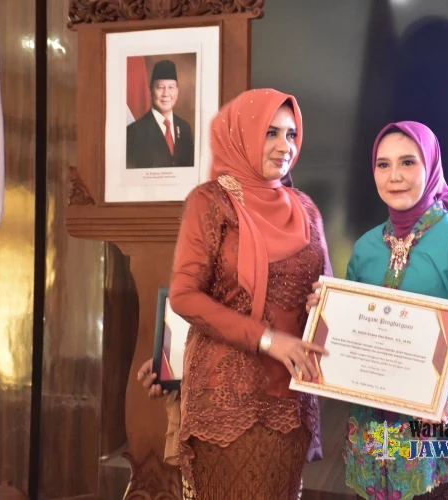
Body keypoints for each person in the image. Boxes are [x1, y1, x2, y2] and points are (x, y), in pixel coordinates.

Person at [137, 88, 333, 499]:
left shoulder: (307, 210)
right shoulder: (211, 202)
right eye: (271, 133)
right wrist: (268, 339)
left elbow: (329, 292)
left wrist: (323, 303)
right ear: (243, 134)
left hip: (292, 403)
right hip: (226, 404)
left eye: (292, 134)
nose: (285, 146)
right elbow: (185, 296)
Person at [307, 121, 448, 500]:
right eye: (383, 165)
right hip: (375, 430)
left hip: (440, 433)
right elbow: (356, 330)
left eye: (408, 162)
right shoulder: (366, 247)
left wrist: (444, 393)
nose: (394, 176)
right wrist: (326, 314)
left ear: (430, 166)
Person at [126, 59, 194, 168]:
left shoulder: (185, 128)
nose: (166, 94)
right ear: (150, 91)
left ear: (177, 91)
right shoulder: (134, 131)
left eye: (171, 87)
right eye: (160, 87)